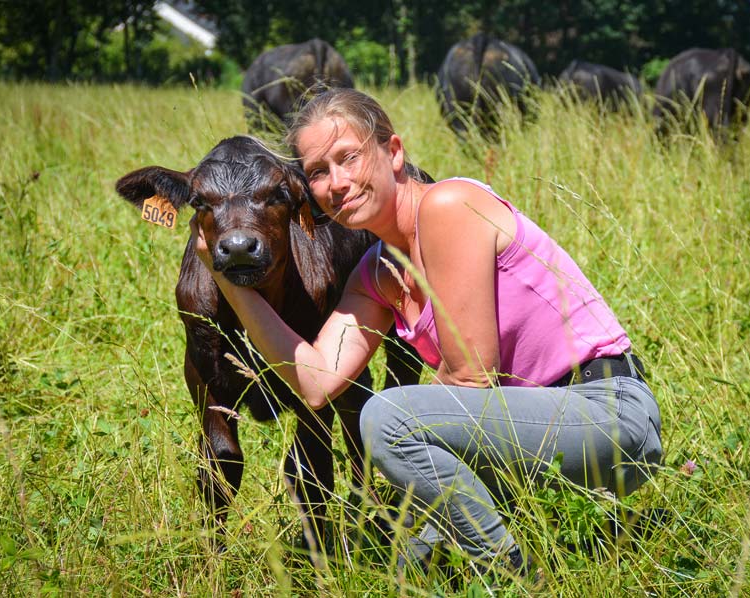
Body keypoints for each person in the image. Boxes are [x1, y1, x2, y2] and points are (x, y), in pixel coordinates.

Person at [191, 88, 662, 575]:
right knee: (409, 571)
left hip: (606, 414)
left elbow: (474, 375)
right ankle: (564, 542)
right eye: (317, 171)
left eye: (348, 158)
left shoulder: (449, 204)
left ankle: (515, 578)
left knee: (385, 416)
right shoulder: (377, 273)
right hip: (520, 434)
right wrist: (228, 279)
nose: (337, 182)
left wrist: (403, 447)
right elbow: (313, 383)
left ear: (393, 152)